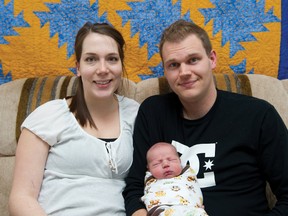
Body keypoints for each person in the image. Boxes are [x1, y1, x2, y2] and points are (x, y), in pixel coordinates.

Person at [123, 19, 288, 216]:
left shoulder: (258, 115)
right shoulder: (153, 113)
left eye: (193, 60)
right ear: (165, 71)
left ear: (212, 59)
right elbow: (134, 189)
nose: (184, 72)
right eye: (174, 65)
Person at [8, 22, 139, 216]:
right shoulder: (47, 117)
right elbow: (21, 198)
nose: (103, 69)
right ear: (78, 67)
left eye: (112, 59)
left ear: (121, 65)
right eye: (91, 59)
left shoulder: (137, 114)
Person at [142, 142, 208, 216]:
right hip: (162, 210)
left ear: (180, 161)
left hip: (190, 209)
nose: (165, 164)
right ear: (149, 168)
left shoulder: (187, 173)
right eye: (157, 164)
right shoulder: (150, 178)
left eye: (171, 160)